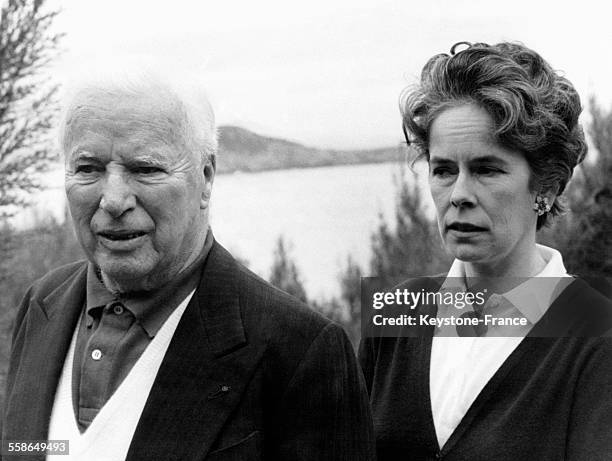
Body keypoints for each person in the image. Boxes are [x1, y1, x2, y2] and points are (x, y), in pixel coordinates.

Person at [2, 76, 375, 460]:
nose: (113, 199)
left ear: (206, 177)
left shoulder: (300, 352)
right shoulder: (41, 306)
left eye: (145, 169)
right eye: (87, 168)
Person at [359, 41, 612, 460]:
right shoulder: (397, 312)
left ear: (547, 186)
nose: (458, 194)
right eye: (443, 170)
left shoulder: (596, 334)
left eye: (486, 169)